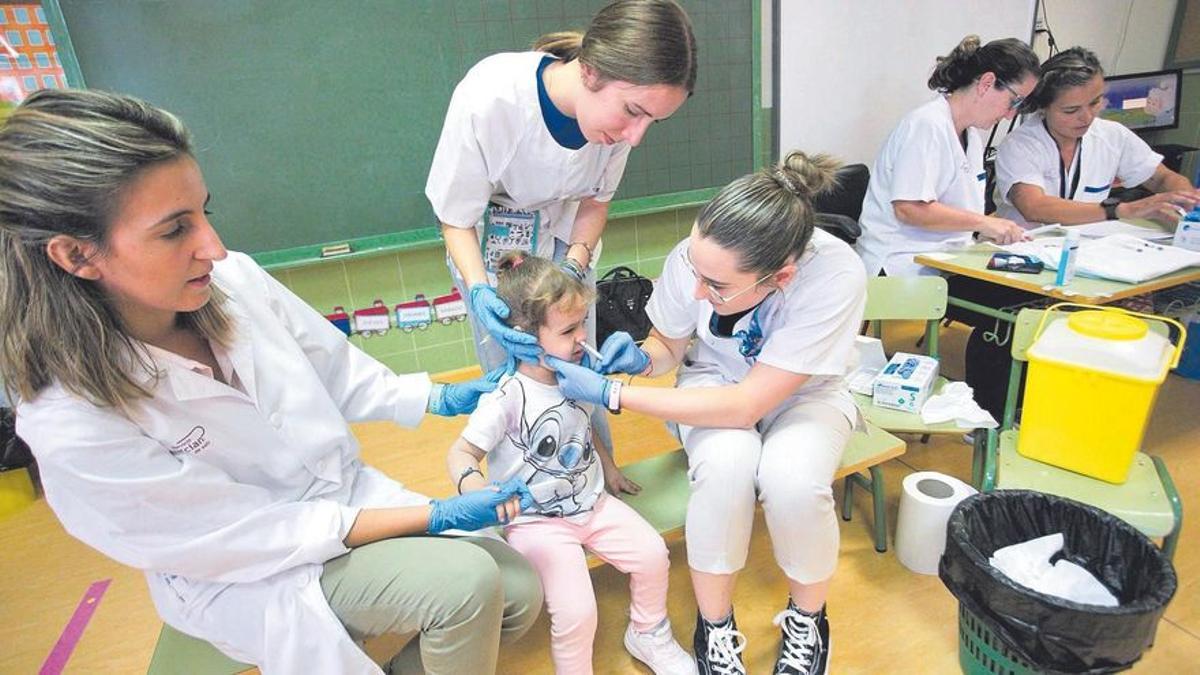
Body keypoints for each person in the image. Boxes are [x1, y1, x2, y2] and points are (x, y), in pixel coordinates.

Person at [0, 89, 544, 674]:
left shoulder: (234, 283)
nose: (213, 247)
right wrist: (434, 516)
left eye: (206, 212)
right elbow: (243, 534)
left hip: (341, 497)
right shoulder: (70, 420)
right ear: (76, 254)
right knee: (462, 584)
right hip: (249, 569)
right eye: (174, 230)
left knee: (519, 589)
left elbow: (335, 369)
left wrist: (441, 396)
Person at [546, 152, 868, 675]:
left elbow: (748, 404)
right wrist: (643, 357)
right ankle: (715, 625)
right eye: (696, 273)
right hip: (713, 377)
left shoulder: (834, 274)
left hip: (807, 392)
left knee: (794, 481)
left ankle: (808, 617)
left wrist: (615, 394)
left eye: (715, 286)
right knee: (725, 469)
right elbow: (671, 346)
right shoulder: (696, 257)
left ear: (780, 277)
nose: (698, 290)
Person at [425, 0, 696, 468]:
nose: (637, 136)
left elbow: (596, 201)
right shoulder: (492, 98)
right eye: (633, 112)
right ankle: (525, 501)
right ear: (590, 73)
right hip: (489, 252)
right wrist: (479, 290)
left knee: (576, 365)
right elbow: (456, 219)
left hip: (564, 238)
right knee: (517, 379)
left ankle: (595, 480)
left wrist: (575, 261)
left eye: (652, 120)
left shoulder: (617, 127)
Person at [446, 252, 694, 674]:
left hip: (591, 504)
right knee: (578, 612)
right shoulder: (507, 395)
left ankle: (647, 632)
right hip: (536, 521)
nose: (583, 337)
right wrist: (474, 487)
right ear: (524, 335)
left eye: (583, 324)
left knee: (653, 553)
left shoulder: (572, 372)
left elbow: (582, 424)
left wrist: (609, 467)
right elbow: (461, 452)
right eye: (568, 329)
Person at [856, 35, 1041, 278]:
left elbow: (958, 211)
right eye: (1014, 101)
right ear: (986, 83)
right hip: (901, 266)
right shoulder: (926, 124)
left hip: (945, 261)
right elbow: (909, 209)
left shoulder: (970, 135)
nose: (1010, 115)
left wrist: (993, 229)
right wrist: (984, 223)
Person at [994, 46, 1200, 228]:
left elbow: (1163, 178)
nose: (1087, 117)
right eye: (1071, 110)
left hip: (1089, 251)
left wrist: (1184, 200)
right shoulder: (1020, 145)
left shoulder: (1113, 135)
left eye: (1095, 103)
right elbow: (1035, 207)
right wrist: (1119, 210)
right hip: (1024, 255)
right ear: (1044, 107)